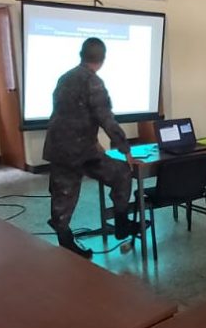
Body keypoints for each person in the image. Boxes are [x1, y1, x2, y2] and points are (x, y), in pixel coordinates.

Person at [43, 37, 138, 258]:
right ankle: (121, 222)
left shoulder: (64, 78)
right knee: (123, 173)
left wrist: (94, 141)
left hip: (62, 148)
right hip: (79, 152)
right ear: (102, 60)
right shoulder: (94, 82)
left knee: (62, 196)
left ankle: (65, 239)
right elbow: (106, 119)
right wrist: (125, 149)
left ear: (81, 55)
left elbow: (69, 115)